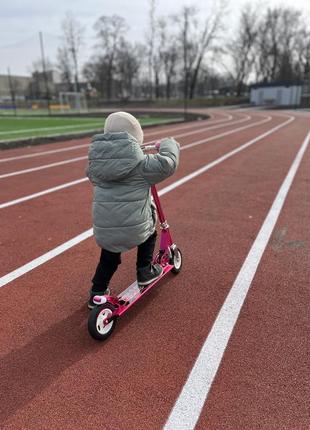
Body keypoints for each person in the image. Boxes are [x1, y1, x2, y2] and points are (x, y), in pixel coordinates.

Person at [86, 111, 180, 309]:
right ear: (135, 136)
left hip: (104, 230)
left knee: (109, 257)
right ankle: (145, 271)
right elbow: (168, 164)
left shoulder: (96, 164)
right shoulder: (142, 166)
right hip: (134, 230)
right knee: (149, 232)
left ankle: (97, 291)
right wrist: (168, 144)